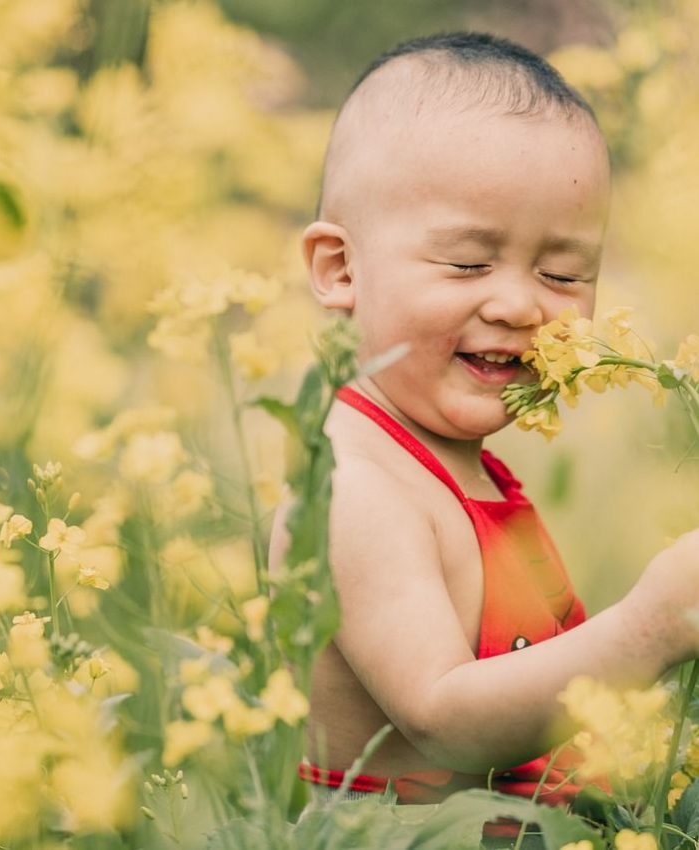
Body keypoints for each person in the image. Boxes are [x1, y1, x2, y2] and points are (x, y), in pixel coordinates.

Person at [268, 29, 699, 837]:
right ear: (340, 270)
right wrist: (655, 623)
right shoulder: (353, 489)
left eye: (565, 274)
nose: (519, 305)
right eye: (469, 263)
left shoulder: (470, 474)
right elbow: (443, 719)